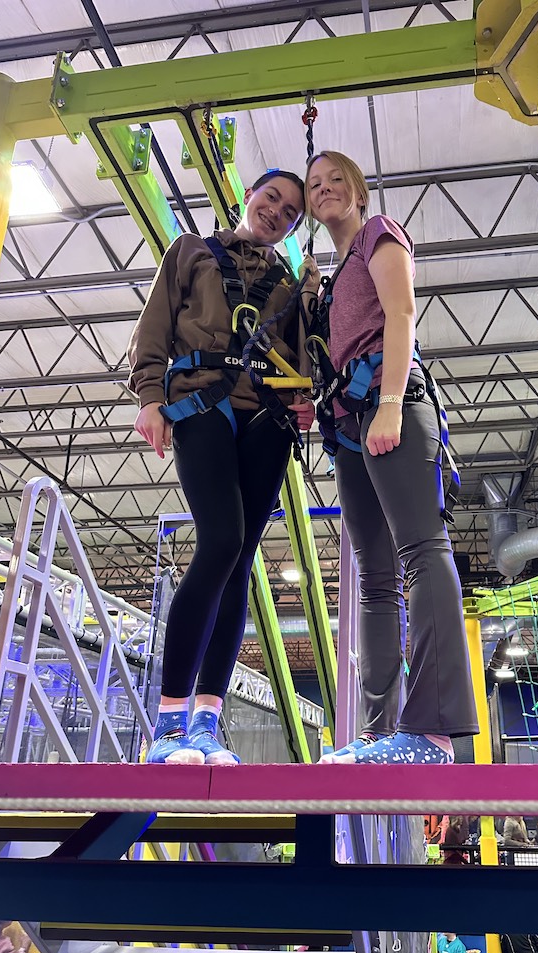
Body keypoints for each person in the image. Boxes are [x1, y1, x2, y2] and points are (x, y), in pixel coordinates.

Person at [129, 169, 315, 764]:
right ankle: (168, 723)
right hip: (200, 402)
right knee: (221, 541)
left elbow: (308, 347)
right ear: (248, 197)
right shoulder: (191, 252)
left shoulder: (292, 282)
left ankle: (206, 724)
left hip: (266, 417)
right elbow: (155, 326)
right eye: (272, 200)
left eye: (289, 213)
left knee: (239, 561)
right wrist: (150, 399)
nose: (277, 214)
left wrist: (309, 391)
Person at [305, 150, 478, 765]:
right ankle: (383, 735)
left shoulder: (380, 234)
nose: (324, 189)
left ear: (358, 191)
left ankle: (432, 729)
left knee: (422, 551)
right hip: (349, 423)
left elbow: (402, 314)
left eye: (335, 181)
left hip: (392, 407)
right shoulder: (330, 276)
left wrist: (390, 401)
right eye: (314, 184)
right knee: (374, 578)